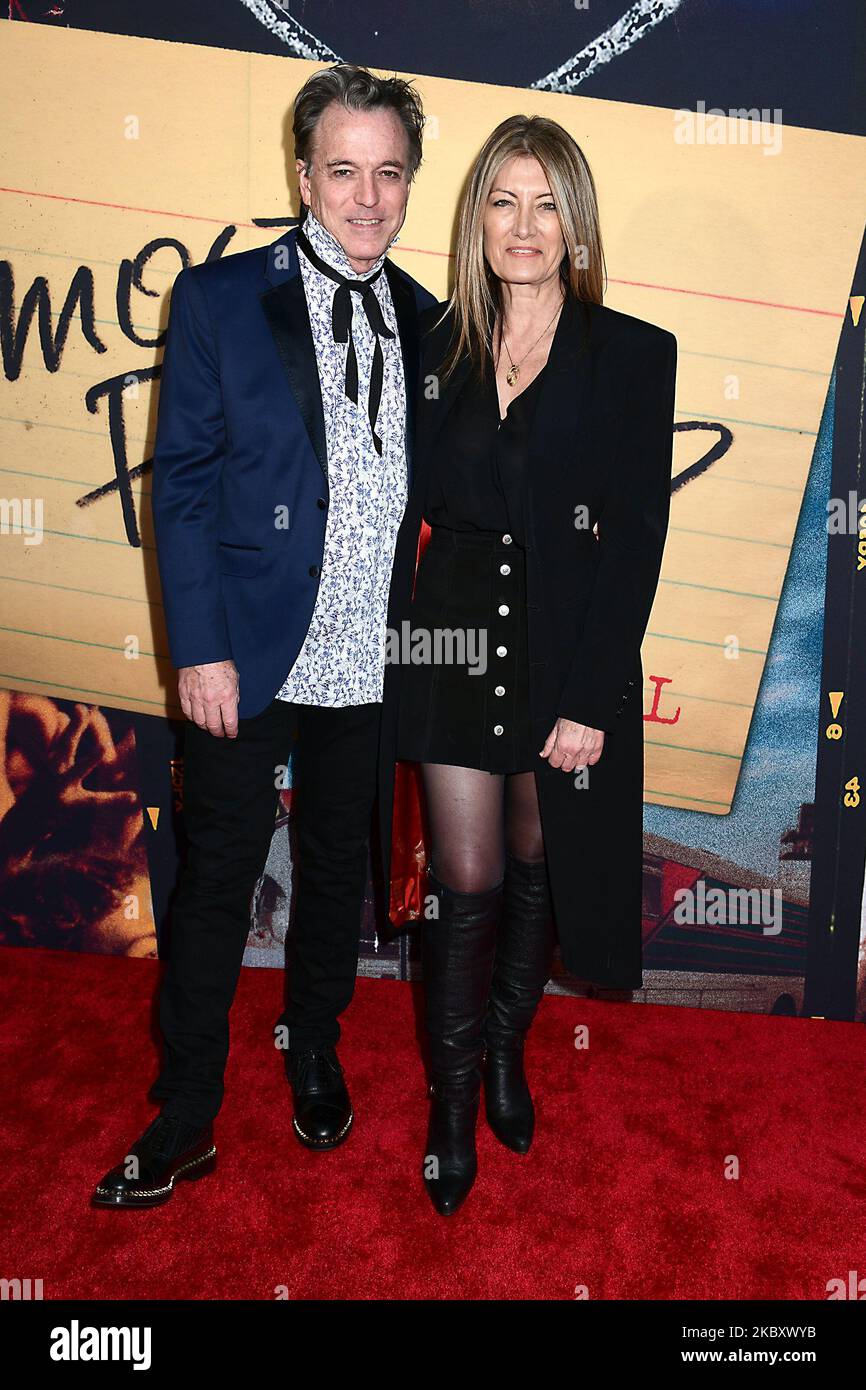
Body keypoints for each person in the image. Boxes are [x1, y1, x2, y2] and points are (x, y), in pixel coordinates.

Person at [92, 64, 435, 1208]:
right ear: (302, 175)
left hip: (369, 658)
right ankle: (185, 1111)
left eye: (388, 173)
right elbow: (179, 483)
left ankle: (315, 1048)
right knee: (217, 880)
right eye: (343, 170)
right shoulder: (221, 296)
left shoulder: (432, 324)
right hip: (241, 651)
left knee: (334, 872)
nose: (367, 197)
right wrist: (196, 647)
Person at [380, 115, 678, 1215]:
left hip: (562, 650)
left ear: (575, 221)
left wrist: (593, 696)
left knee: (534, 864)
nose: (523, 224)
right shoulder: (434, 345)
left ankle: (505, 1051)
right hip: (447, 644)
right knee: (465, 882)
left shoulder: (633, 356)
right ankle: (452, 1104)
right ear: (475, 219)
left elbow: (635, 538)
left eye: (545, 201)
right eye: (502, 201)